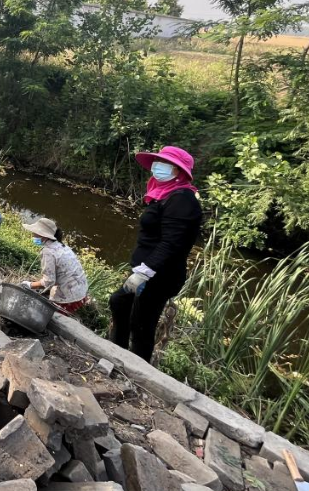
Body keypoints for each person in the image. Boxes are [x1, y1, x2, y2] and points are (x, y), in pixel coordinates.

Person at [109, 145, 203, 362]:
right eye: (158, 163)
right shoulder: (165, 194)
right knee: (120, 304)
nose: (158, 168)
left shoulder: (182, 199)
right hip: (148, 270)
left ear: (179, 172)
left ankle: (136, 369)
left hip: (160, 275)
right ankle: (117, 353)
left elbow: (171, 243)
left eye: (166, 165)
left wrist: (144, 272)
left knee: (141, 325)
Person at [22, 217, 89, 314]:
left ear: (43, 236)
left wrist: (29, 284)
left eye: (35, 234)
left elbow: (49, 281)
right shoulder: (62, 246)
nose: (33, 235)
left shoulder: (48, 251)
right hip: (81, 290)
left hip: (69, 297)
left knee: (50, 317)